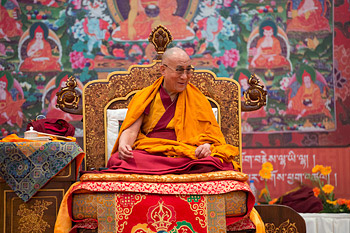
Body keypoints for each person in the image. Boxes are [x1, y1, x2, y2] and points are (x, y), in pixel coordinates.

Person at [106, 47, 240, 174]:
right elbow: (130, 130)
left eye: (188, 70)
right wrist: (124, 146)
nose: (185, 77)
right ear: (163, 70)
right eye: (179, 70)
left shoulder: (197, 98)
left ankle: (169, 169)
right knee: (117, 160)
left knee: (219, 162)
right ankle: (182, 169)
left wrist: (207, 146)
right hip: (153, 153)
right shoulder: (146, 96)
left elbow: (212, 137)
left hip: (186, 152)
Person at [112, 0, 194, 40]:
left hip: (164, 19)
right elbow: (133, 9)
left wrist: (160, 21)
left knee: (180, 24)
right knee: (125, 27)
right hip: (144, 20)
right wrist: (130, 26)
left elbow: (170, 8)